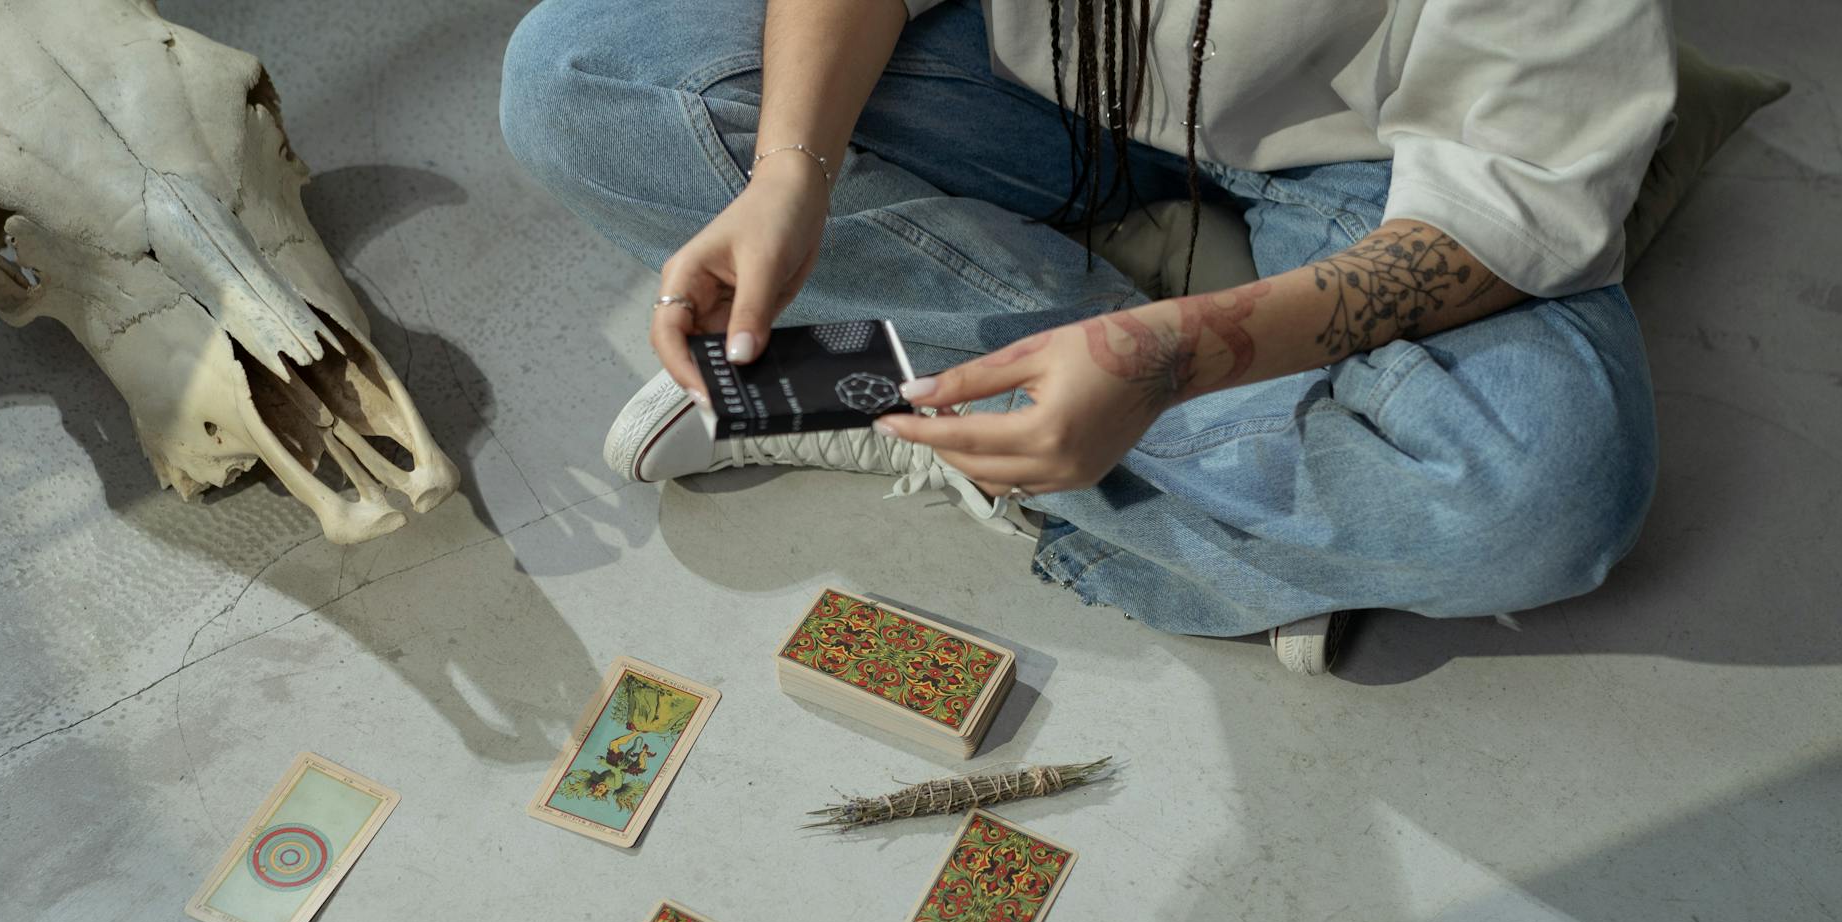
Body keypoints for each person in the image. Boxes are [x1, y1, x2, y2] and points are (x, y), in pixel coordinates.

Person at [499, 0, 1674, 676]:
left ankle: (911, 397)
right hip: (1033, 65)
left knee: (1536, 497)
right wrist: (789, 173)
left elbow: (1509, 208)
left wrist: (1172, 357)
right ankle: (1064, 437)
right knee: (577, 77)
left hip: (1376, 147)